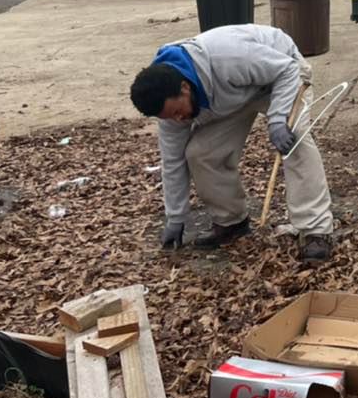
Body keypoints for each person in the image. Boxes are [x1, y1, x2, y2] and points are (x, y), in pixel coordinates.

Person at [128, 23, 335, 262]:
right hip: (234, 94)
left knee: (295, 139)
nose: (179, 120)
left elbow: (287, 70)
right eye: (170, 117)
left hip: (281, 75)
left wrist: (278, 120)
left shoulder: (227, 56)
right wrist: (175, 218)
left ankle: (315, 230)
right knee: (200, 153)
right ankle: (231, 222)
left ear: (184, 88)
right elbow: (172, 162)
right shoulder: (170, 109)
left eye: (177, 111)